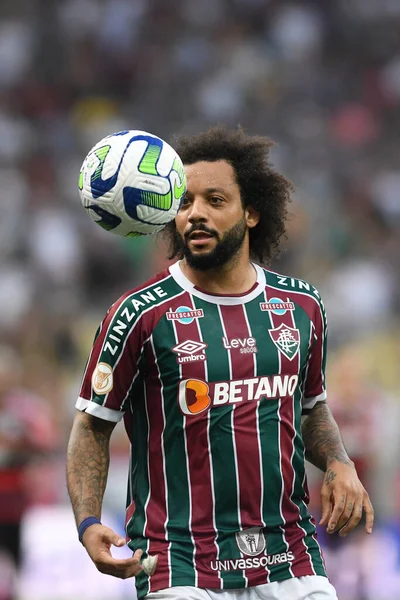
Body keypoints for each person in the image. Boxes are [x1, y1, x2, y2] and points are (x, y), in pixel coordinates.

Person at [66, 126, 374, 600]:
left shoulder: (301, 306)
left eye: (214, 200)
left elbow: (311, 408)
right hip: (180, 563)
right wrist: (88, 521)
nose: (195, 215)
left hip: (288, 555)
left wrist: (337, 461)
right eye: (184, 203)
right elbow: (92, 427)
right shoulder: (139, 314)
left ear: (252, 212)